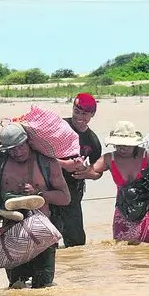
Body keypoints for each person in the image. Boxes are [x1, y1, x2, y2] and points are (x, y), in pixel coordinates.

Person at [0, 123, 71, 288]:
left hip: (42, 234)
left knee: (43, 288)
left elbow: (65, 198)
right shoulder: (0, 162)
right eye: (12, 149)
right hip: (12, 233)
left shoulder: (47, 163)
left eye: (21, 146)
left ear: (28, 141)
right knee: (16, 287)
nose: (18, 152)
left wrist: (38, 193)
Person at [87, 121, 149, 244]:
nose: (121, 148)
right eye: (118, 145)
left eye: (126, 145)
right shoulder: (109, 158)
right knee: (121, 247)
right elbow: (91, 170)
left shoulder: (147, 155)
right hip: (123, 210)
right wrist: (80, 168)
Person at [51, 93, 101, 247]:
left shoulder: (92, 140)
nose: (79, 117)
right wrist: (64, 164)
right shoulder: (58, 126)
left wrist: (89, 173)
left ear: (92, 114)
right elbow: (38, 155)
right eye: (76, 111)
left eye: (85, 114)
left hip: (73, 190)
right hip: (49, 187)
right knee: (48, 238)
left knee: (77, 242)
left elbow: (98, 170)